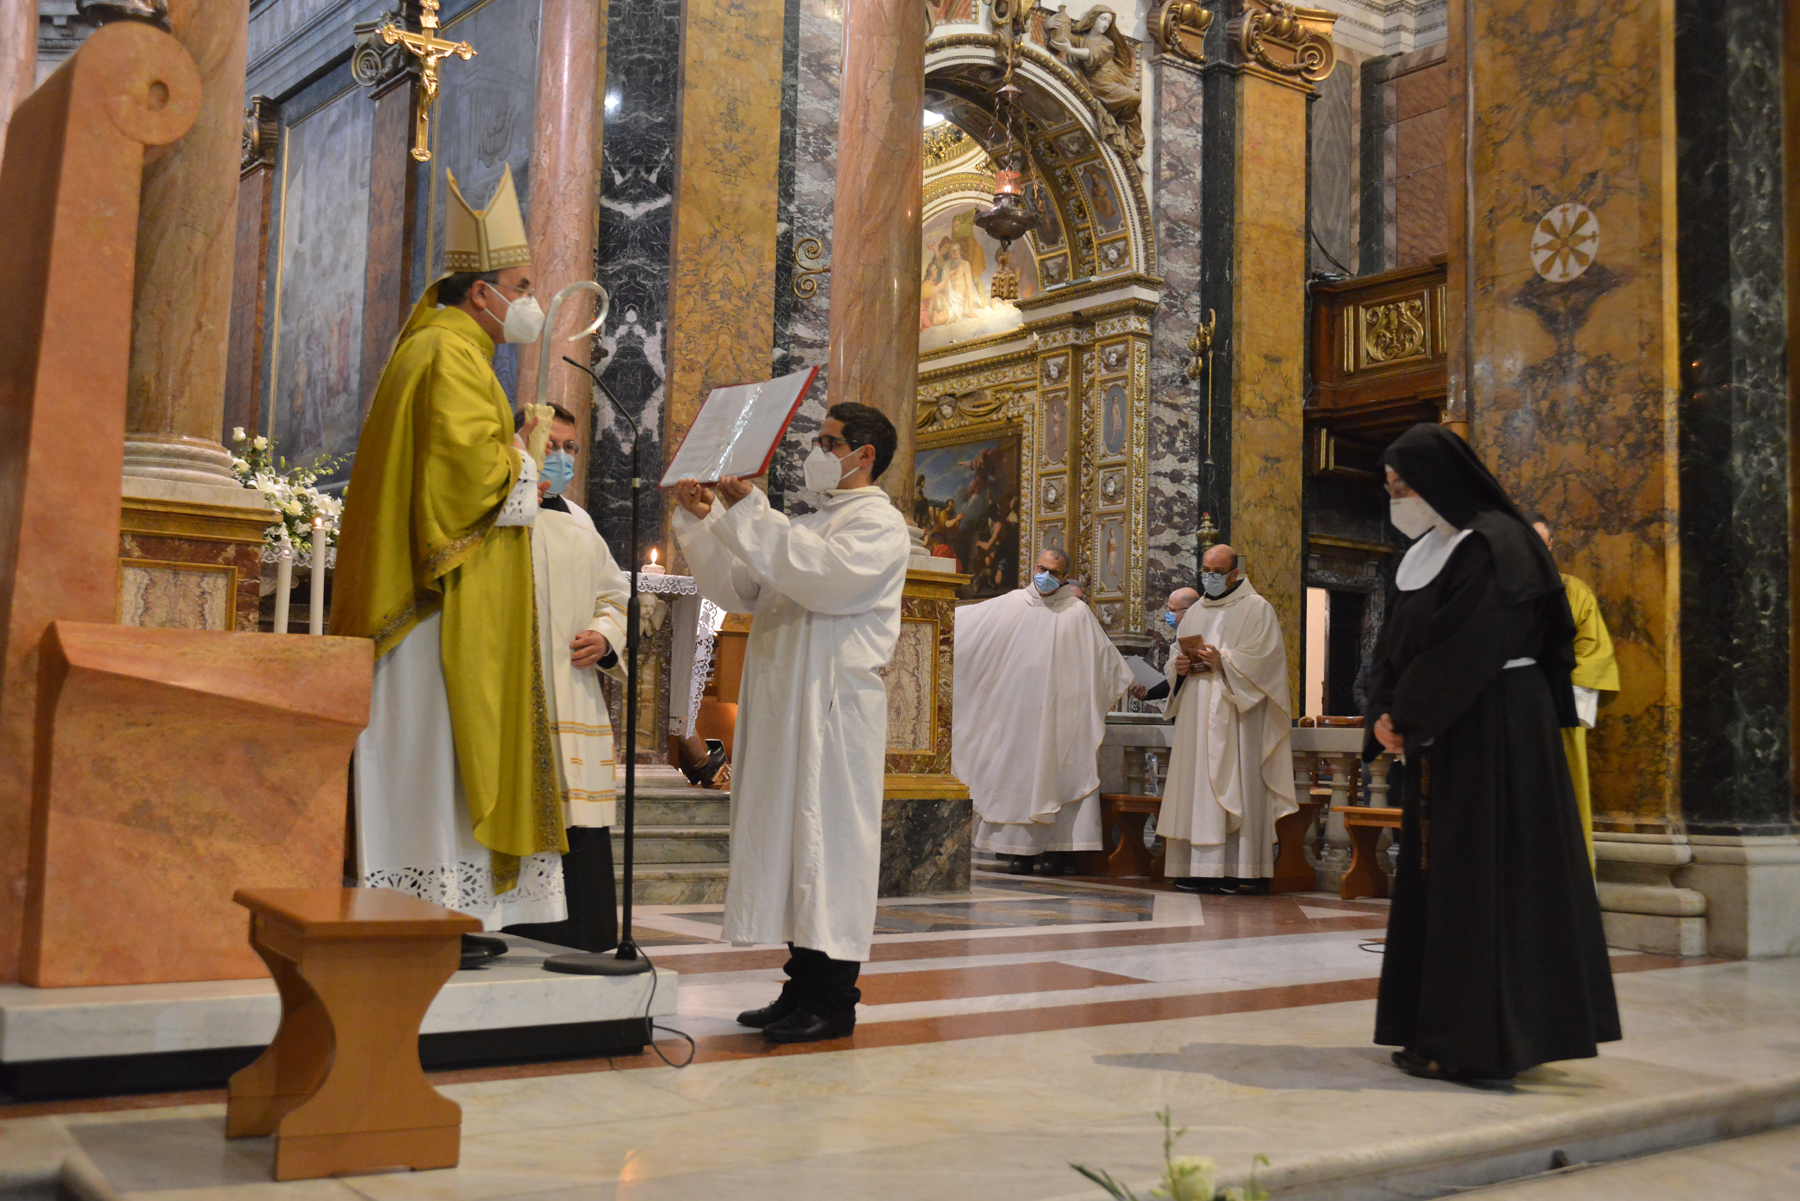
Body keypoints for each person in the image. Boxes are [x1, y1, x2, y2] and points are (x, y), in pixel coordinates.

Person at [331, 165, 569, 933]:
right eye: (523, 287)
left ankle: (445, 911)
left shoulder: (443, 348)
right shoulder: (450, 353)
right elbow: (472, 481)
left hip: (437, 605)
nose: (531, 303)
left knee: (437, 763)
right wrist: (527, 450)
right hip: (433, 608)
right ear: (482, 293)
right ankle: (430, 913)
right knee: (436, 761)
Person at [1367, 423, 1619, 1084]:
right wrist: (1384, 712)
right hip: (1452, 729)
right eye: (1389, 487)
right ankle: (1437, 1029)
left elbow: (1470, 641)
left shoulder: (1498, 543)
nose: (1397, 498)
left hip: (1498, 728)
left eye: (1404, 485)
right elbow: (1396, 642)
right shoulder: (1436, 548)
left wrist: (1409, 715)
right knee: (1445, 880)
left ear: (1441, 480)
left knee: (1485, 879)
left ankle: (1481, 1043)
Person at [668, 403, 911, 1045]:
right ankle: (798, 989)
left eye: (829, 442)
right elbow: (741, 590)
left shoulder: (879, 524)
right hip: (786, 705)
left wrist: (748, 510)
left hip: (831, 710)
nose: (817, 451)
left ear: (865, 454)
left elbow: (821, 578)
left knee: (828, 850)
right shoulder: (812, 522)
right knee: (792, 845)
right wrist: (707, 519)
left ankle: (833, 1002)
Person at [493, 405, 630, 952]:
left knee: (578, 814)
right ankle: (517, 921)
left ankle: (585, 926)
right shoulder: (498, 511)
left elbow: (613, 595)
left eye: (571, 448)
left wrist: (604, 635)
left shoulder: (580, 521)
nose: (563, 457)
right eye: (553, 444)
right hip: (514, 687)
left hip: (573, 691)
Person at [954, 548, 1133, 876]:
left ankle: (1057, 852)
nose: (1046, 576)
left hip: (1058, 714)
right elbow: (964, 627)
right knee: (1017, 778)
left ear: (1064, 577)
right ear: (1034, 567)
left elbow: (1104, 664)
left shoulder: (1076, 613)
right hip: (1015, 714)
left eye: (1054, 572)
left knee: (1056, 773)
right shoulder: (1011, 603)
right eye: (1042, 568)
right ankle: (1019, 852)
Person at [1159, 545, 1297, 895]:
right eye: (1206, 570)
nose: (1210, 578)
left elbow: (1267, 661)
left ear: (1235, 573)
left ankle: (1238, 868)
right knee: (1196, 789)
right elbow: (1176, 653)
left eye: (1218, 572)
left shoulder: (1257, 608)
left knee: (1236, 783)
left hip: (1236, 715)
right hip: (1195, 714)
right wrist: (1178, 667)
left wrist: (1226, 662)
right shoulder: (1195, 612)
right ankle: (1196, 869)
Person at [1530, 513, 1619, 869]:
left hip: (1558, 712)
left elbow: (1592, 652)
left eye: (1540, 543)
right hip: (1503, 714)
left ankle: (1570, 882)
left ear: (1551, 546)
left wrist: (1554, 699)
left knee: (1561, 801)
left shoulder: (1574, 592)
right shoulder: (1490, 592)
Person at [1132, 586, 1200, 702]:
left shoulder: (1202, 634)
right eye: (1168, 609)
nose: (1168, 614)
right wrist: (1147, 693)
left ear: (1189, 611)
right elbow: (1172, 681)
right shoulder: (1178, 636)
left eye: (1172, 610)